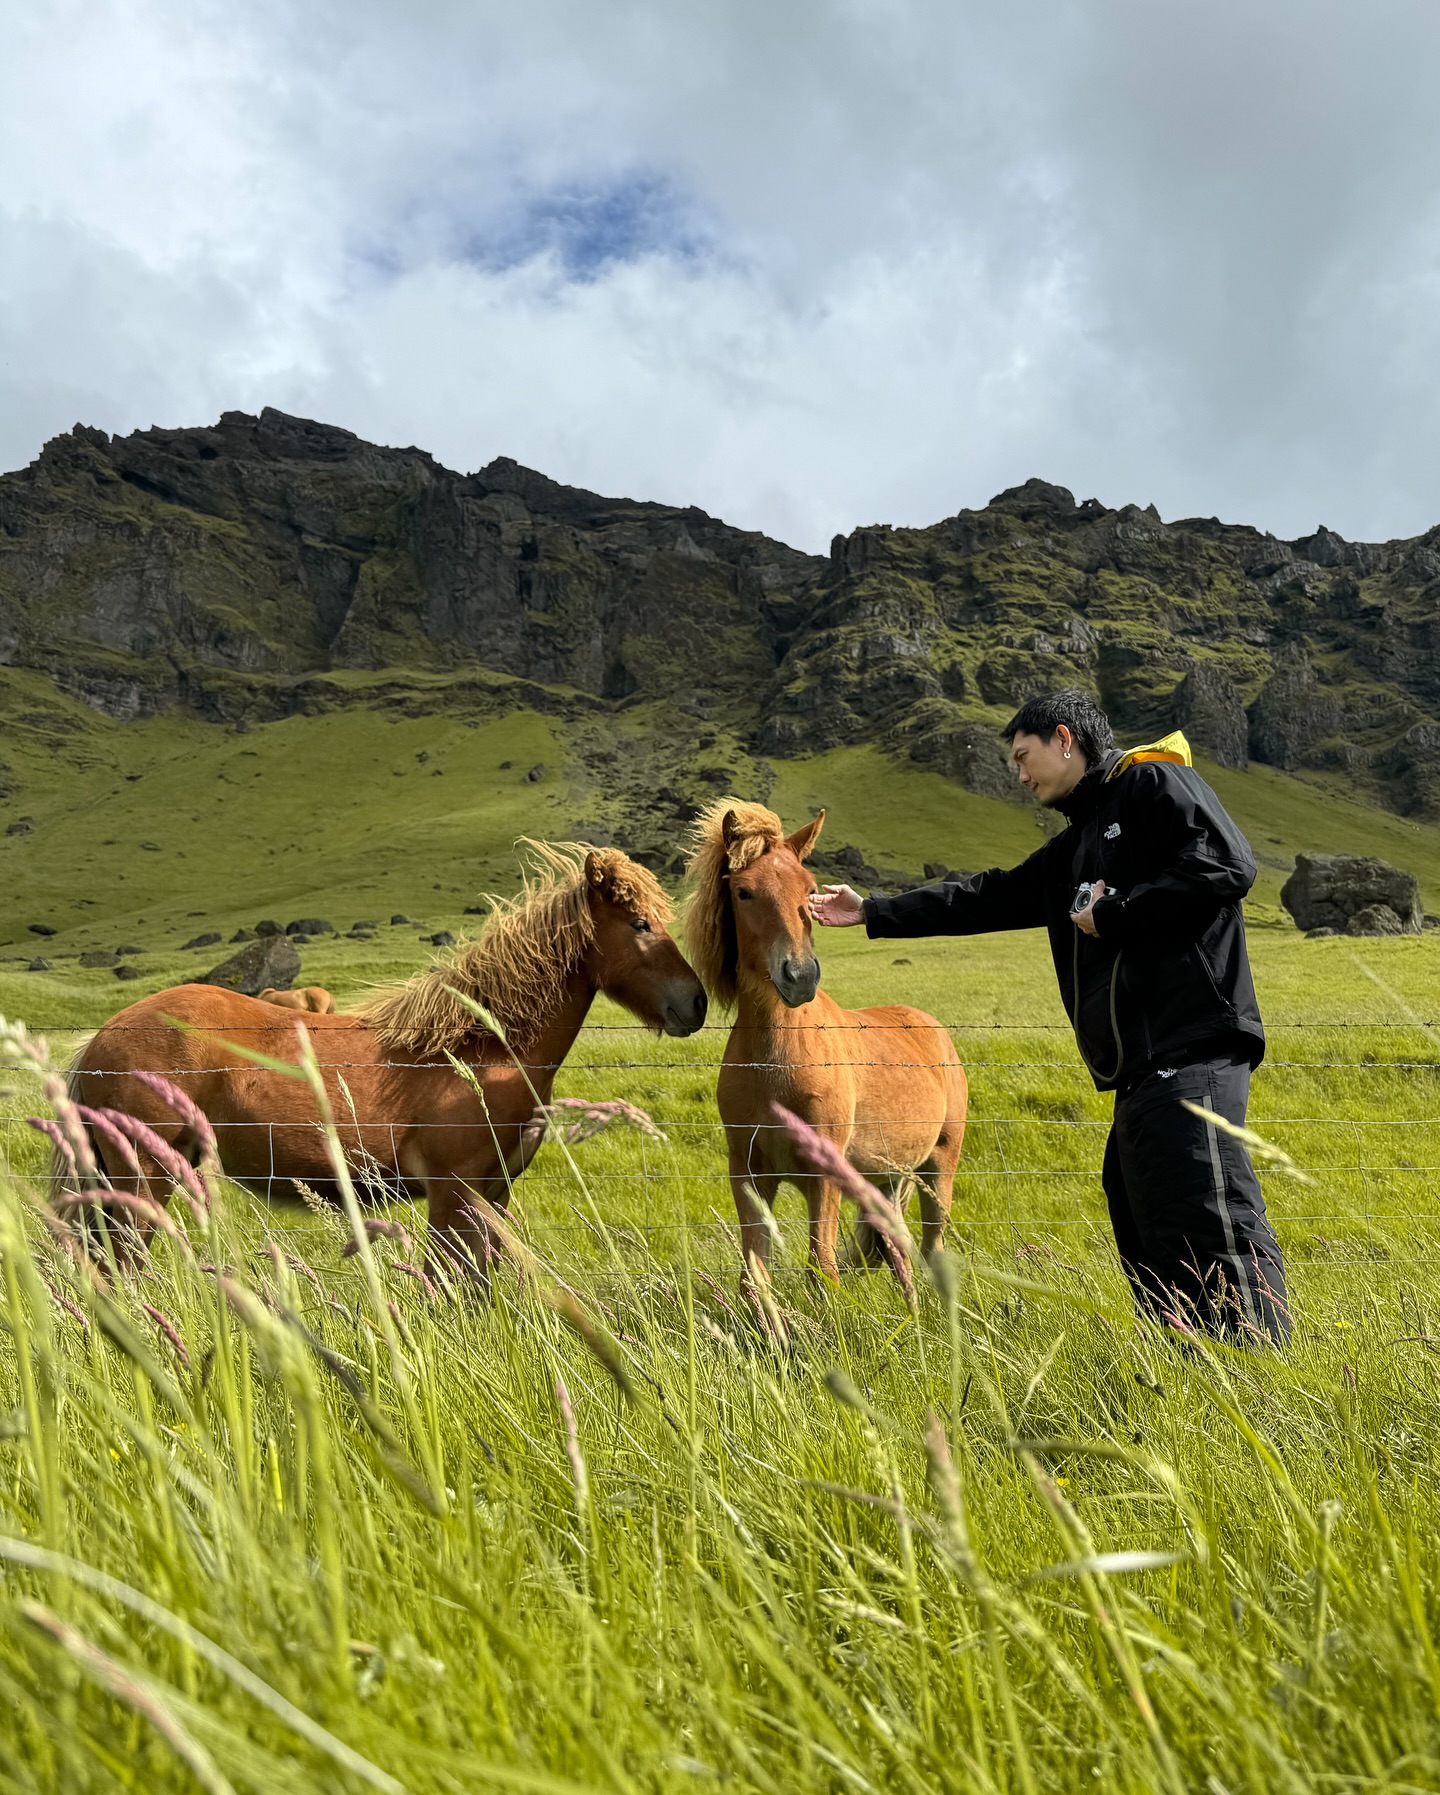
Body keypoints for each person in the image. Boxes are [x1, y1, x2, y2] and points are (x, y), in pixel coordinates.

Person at [808, 687, 1291, 1346]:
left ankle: (1257, 1364)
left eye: (1023, 755)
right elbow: (986, 896)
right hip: (1140, 1074)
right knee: (1138, 1209)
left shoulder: (1153, 781)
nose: (1018, 773)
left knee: (1210, 1211)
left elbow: (1228, 865)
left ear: (1065, 739)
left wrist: (1116, 911)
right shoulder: (1076, 846)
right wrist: (873, 910)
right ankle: (1191, 1366)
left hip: (1193, 1045)